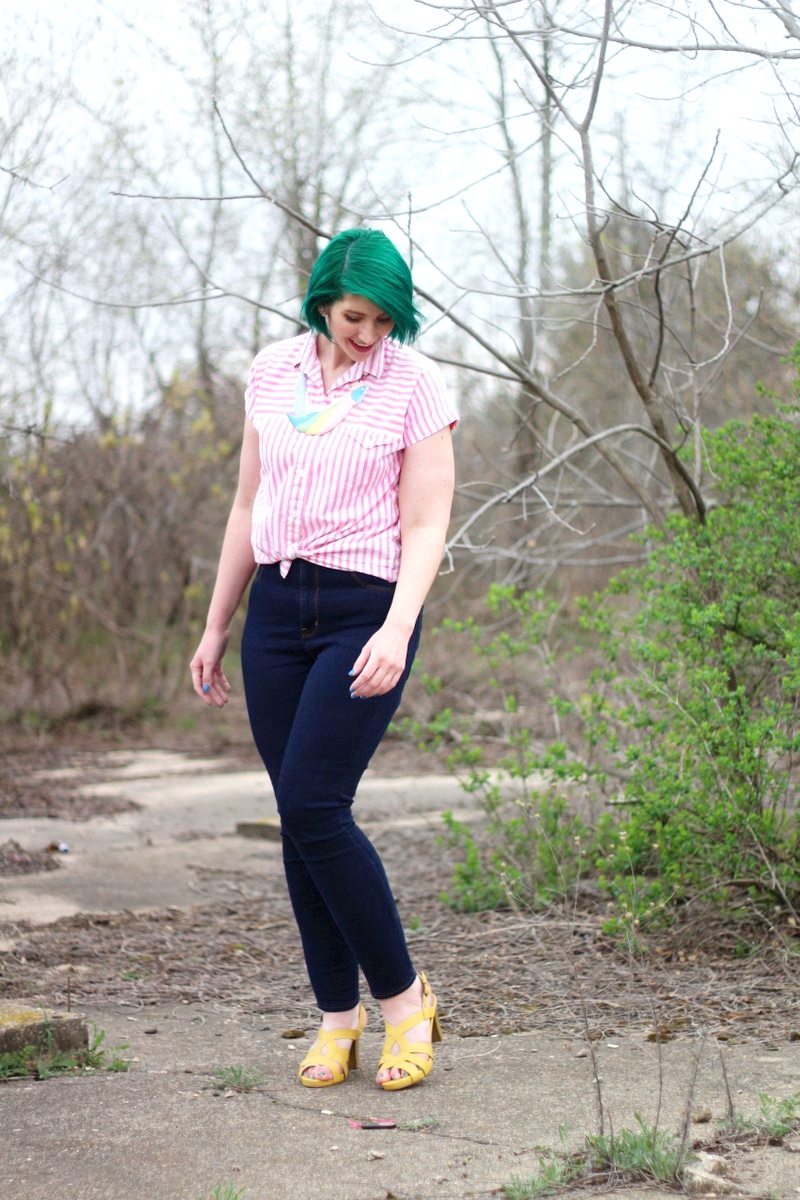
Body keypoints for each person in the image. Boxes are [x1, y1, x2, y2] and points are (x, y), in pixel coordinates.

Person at [189, 228, 457, 1091]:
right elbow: (246, 504)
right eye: (354, 315)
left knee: (313, 802)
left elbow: (425, 525)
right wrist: (216, 623)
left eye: (384, 319)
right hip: (275, 608)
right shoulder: (272, 372)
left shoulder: (414, 385)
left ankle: (406, 1003)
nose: (369, 333)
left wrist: (394, 627)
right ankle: (335, 1018)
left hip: (365, 609)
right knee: (298, 818)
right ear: (320, 301)